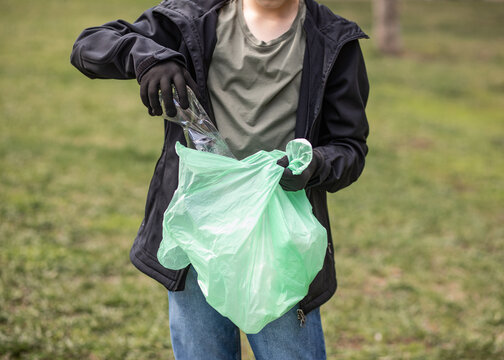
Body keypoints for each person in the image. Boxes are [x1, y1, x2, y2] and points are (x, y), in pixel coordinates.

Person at [70, 0, 369, 358]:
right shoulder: (192, 17)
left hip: (279, 240)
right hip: (199, 228)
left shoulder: (335, 40)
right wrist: (150, 56)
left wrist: (314, 165)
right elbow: (88, 45)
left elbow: (349, 147)